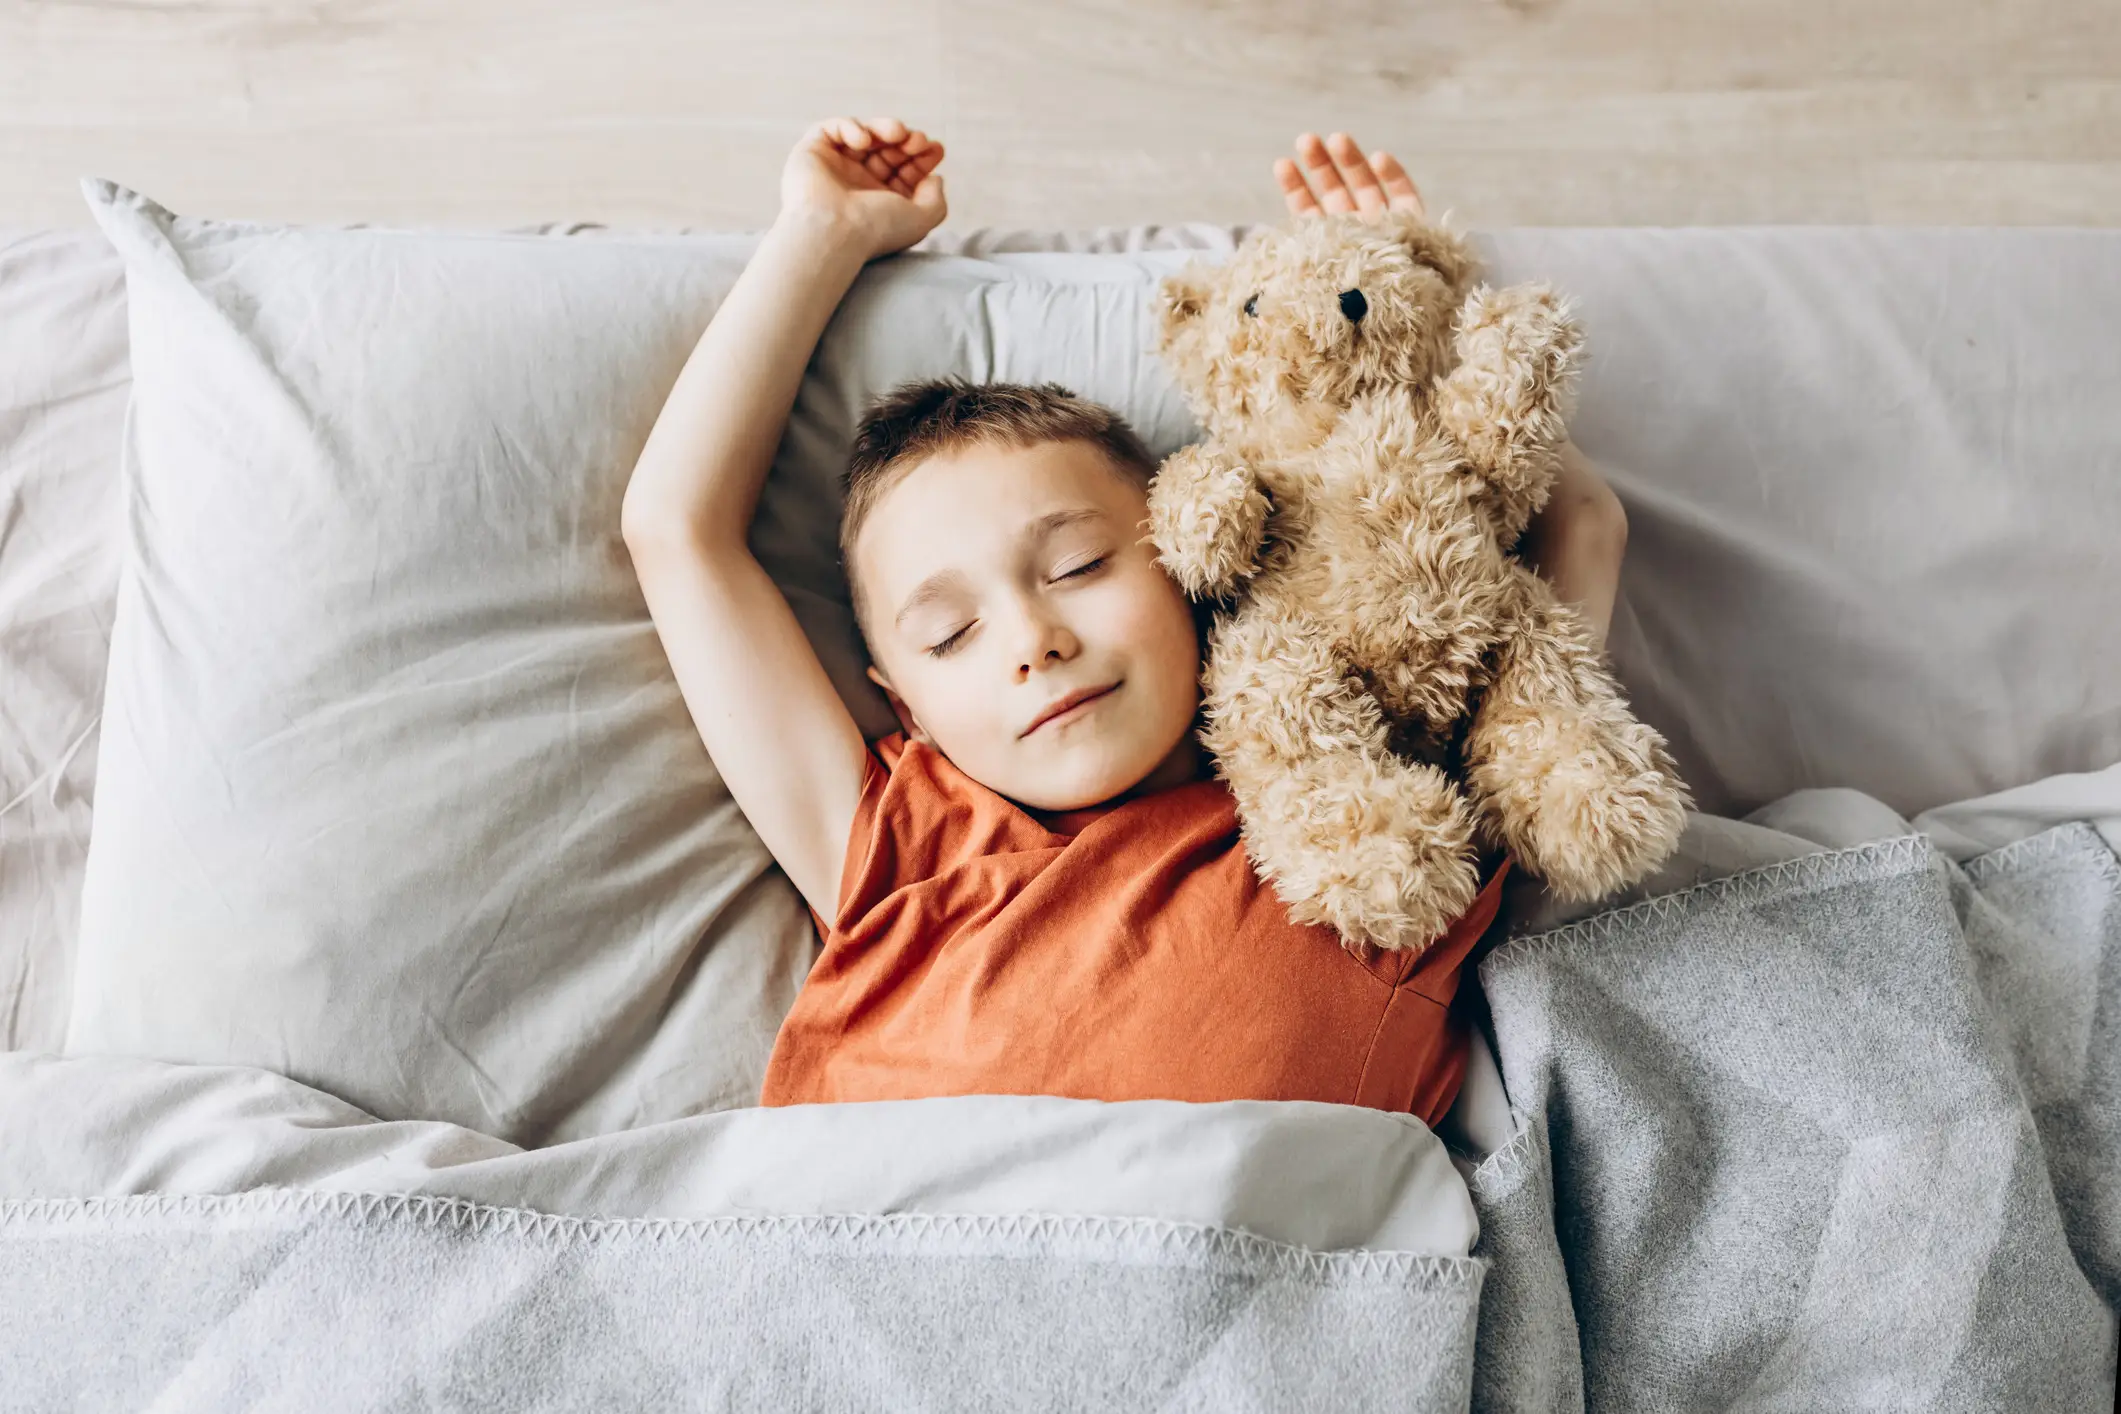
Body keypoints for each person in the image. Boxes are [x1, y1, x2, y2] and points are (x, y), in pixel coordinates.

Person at [621, 120, 1630, 1122]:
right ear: (906, 705)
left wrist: (1411, 309)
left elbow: (1581, 525)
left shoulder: (1380, 818)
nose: (1032, 641)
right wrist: (820, 232)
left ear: (1190, 563)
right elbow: (676, 528)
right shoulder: (900, 844)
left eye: (1079, 564)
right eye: (948, 636)